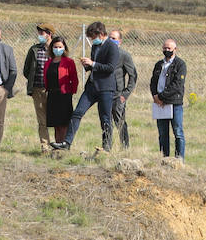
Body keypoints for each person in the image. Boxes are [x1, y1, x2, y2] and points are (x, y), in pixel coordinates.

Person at [51, 20, 118, 152]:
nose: (93, 40)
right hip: (92, 87)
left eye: (93, 37)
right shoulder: (95, 47)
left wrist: (92, 64)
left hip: (105, 88)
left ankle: (106, 147)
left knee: (105, 118)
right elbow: (95, 67)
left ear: (101, 34)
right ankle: (67, 142)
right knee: (77, 113)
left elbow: (110, 68)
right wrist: (87, 66)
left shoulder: (112, 47)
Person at [150, 38, 187, 159]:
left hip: (174, 103)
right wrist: (155, 96)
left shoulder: (180, 64)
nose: (167, 50)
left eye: (169, 48)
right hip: (159, 104)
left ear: (175, 49)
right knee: (163, 133)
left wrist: (161, 97)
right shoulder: (159, 65)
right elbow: (153, 82)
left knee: (178, 132)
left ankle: (179, 159)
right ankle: (164, 158)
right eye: (165, 48)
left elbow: (177, 85)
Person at [22, 23, 55, 151]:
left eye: (42, 33)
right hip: (38, 89)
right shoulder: (34, 50)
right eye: (39, 33)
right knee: (42, 120)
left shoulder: (57, 48)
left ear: (49, 34)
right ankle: (45, 145)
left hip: (53, 91)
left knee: (56, 118)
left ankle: (59, 145)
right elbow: (26, 69)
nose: (39, 36)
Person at [42, 34, 79, 146]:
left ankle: (64, 144)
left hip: (64, 95)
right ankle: (57, 144)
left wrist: (70, 92)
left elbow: (74, 79)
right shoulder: (48, 62)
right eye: (55, 47)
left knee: (63, 123)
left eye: (60, 47)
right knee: (55, 123)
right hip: (52, 95)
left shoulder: (69, 62)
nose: (58, 49)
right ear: (52, 48)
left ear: (64, 48)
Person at [108, 29, 137, 150]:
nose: (111, 40)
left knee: (120, 123)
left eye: (114, 38)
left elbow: (133, 75)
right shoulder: (104, 54)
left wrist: (125, 94)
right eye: (109, 38)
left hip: (118, 95)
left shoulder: (124, 55)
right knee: (106, 123)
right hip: (106, 94)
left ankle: (125, 148)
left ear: (120, 41)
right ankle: (107, 148)